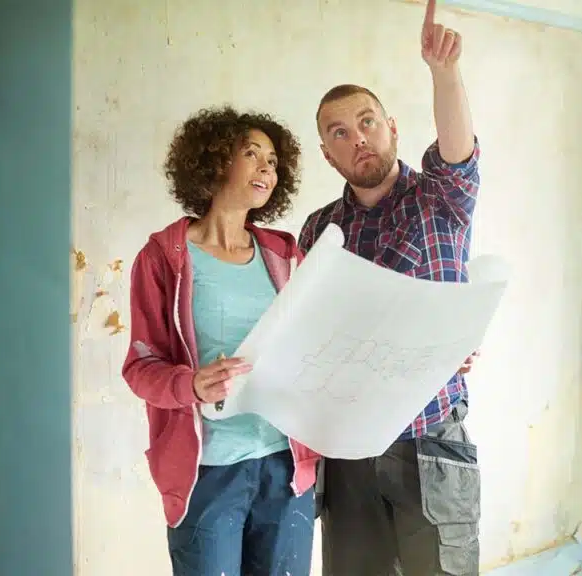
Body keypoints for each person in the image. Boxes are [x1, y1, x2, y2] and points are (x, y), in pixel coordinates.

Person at [298, 1, 482, 574]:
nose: (359, 139)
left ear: (392, 127)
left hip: (429, 438)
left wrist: (442, 71)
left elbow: (458, 152)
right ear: (328, 155)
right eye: (340, 133)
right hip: (347, 443)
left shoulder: (440, 200)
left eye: (367, 122)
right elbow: (307, 332)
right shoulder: (318, 230)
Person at [122, 106, 321, 576]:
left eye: (272, 160)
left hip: (286, 467)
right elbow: (139, 367)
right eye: (251, 154)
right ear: (212, 163)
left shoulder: (286, 254)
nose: (266, 168)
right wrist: (191, 385)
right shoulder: (162, 258)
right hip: (207, 472)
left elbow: (327, 339)